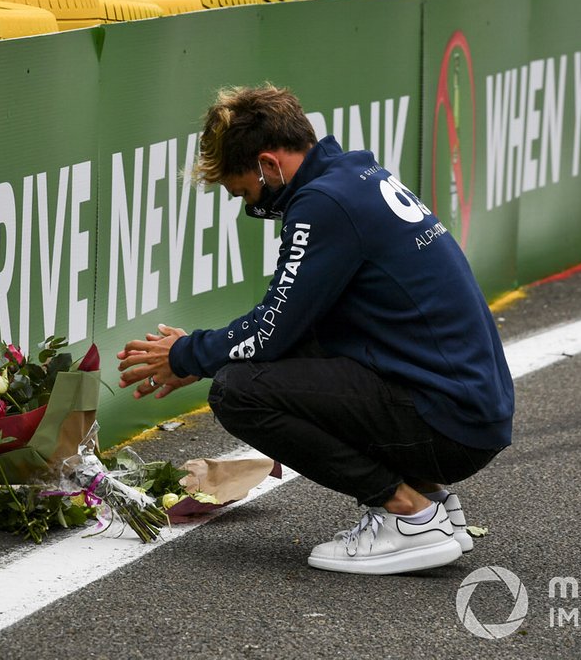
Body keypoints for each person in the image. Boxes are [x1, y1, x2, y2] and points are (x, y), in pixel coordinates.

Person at [117, 84, 514, 575]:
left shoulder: (323, 205)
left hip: (449, 423)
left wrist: (188, 356)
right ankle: (432, 503)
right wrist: (200, 356)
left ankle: (407, 516)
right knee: (277, 367)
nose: (248, 205)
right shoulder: (353, 177)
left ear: (268, 164)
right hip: (467, 410)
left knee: (239, 392)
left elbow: (272, 329)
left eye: (243, 190)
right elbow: (301, 328)